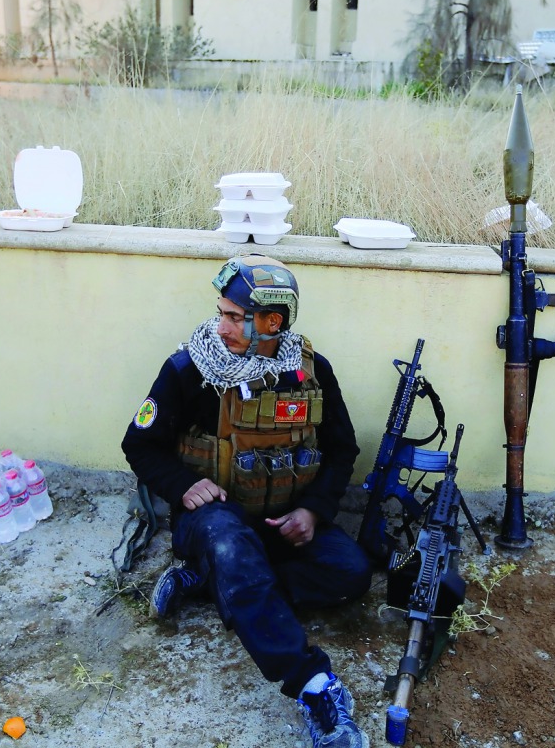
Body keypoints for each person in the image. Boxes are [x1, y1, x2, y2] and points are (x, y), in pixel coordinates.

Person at [121, 254, 372, 748]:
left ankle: (210, 584)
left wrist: (314, 511)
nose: (222, 326)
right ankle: (314, 686)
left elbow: (343, 448)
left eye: (235, 317)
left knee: (352, 571)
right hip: (215, 523)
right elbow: (138, 443)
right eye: (221, 313)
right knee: (233, 549)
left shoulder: (310, 371)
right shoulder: (190, 369)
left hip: (283, 524)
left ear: (271, 322)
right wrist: (181, 486)